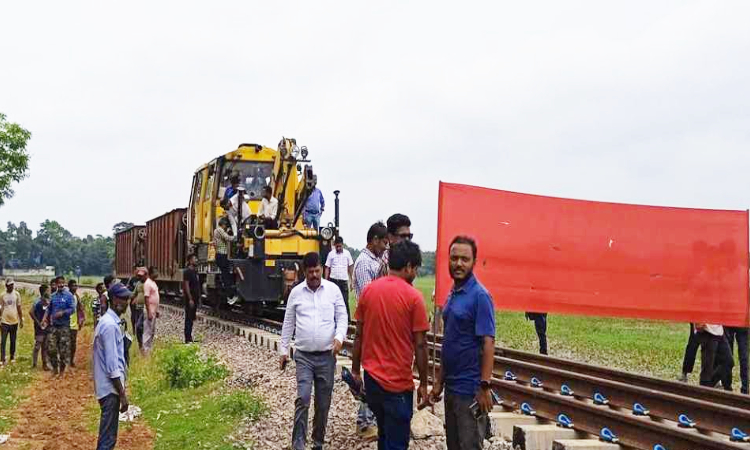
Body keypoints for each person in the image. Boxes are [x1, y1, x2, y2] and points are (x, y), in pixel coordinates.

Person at [352, 240, 430, 450]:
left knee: (384, 434)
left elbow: (359, 334)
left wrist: (355, 370)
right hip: (397, 385)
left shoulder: (369, 291)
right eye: (415, 268)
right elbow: (420, 346)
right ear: (408, 267)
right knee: (396, 442)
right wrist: (423, 383)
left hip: (373, 381)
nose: (415, 273)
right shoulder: (414, 298)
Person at [424, 236, 495, 450]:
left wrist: (484, 387)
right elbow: (450, 343)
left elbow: (488, 343)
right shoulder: (453, 294)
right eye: (454, 258)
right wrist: (439, 382)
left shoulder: (480, 296)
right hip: (453, 388)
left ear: (474, 261)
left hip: (470, 390)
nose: (458, 264)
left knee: (470, 445)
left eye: (465, 259)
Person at [279, 252, 348, 450]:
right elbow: (288, 323)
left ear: (321, 269)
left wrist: (339, 337)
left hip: (327, 356)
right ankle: (298, 444)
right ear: (304, 272)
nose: (315, 275)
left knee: (323, 403)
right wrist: (283, 350)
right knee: (303, 397)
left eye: (317, 271)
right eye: (311, 272)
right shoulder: (296, 293)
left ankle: (318, 442)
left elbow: (342, 317)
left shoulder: (333, 291)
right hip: (304, 357)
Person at [351, 221, 389, 440]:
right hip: (369, 323)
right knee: (371, 372)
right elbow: (368, 296)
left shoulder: (375, 260)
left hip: (374, 323)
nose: (385, 246)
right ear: (374, 240)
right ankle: (365, 423)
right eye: (383, 242)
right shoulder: (365, 263)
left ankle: (369, 420)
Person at [94, 282, 130, 450]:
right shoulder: (109, 326)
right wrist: (122, 394)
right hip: (110, 390)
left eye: (127, 298)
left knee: (108, 436)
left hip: (108, 388)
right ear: (114, 300)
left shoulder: (110, 322)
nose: (126, 302)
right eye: (123, 298)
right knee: (107, 440)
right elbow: (112, 366)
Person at [44, 276, 74, 376]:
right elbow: (48, 309)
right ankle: (54, 368)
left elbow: (72, 309)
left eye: (62, 283)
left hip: (64, 327)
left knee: (63, 350)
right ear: (56, 284)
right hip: (54, 326)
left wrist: (63, 312)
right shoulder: (53, 296)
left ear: (64, 283)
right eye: (59, 283)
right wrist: (45, 318)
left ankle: (61, 370)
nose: (61, 285)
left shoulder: (69, 296)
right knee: (51, 348)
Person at [695, 323, 734, 390]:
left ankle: (707, 388)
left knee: (728, 362)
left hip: (719, 331)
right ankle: (704, 391)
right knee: (707, 370)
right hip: (707, 331)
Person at [325, 236, 354, 319]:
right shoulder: (331, 254)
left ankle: (347, 320)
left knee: (345, 301)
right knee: (332, 301)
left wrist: (352, 280)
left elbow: (350, 267)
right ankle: (332, 319)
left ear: (342, 245)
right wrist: (326, 281)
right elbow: (327, 267)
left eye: (340, 246)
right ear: (335, 245)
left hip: (343, 280)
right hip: (333, 280)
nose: (338, 248)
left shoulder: (347, 254)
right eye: (337, 246)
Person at [215, 217, 238, 305]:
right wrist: (235, 237)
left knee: (226, 276)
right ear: (223, 224)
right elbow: (227, 238)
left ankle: (230, 295)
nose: (226, 227)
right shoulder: (219, 230)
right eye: (226, 225)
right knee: (226, 276)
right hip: (221, 255)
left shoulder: (217, 231)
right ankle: (230, 295)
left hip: (221, 256)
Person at [1, 278, 24, 365]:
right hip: (4, 321)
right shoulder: (3, 295)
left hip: (14, 320)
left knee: (13, 340)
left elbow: (19, 307)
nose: (11, 286)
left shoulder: (16, 294)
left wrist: (21, 319)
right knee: (3, 340)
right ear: (6, 286)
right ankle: (2, 358)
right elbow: (1, 308)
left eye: (12, 285)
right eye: (9, 285)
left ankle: (12, 357)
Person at [30, 284, 50, 370]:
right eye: (47, 290)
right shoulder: (38, 302)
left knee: (45, 346)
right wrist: (38, 323)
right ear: (44, 292)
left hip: (46, 327)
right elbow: (31, 312)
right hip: (39, 327)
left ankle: (44, 364)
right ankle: (34, 364)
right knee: (38, 345)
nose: (49, 292)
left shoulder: (48, 302)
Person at [142, 266, 160, 356]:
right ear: (151, 273)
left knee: (152, 331)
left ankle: (149, 350)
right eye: (155, 272)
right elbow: (146, 298)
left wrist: (156, 310)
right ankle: (145, 351)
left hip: (153, 311)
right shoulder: (147, 283)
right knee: (147, 332)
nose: (157, 273)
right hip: (149, 311)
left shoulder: (153, 282)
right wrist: (149, 311)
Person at [68, 279, 86, 367]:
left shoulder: (76, 297)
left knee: (73, 343)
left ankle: (71, 360)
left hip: (74, 323)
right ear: (69, 287)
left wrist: (81, 320)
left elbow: (80, 309)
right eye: (73, 286)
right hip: (65, 323)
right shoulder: (66, 296)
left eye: (76, 286)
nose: (74, 287)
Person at [183, 254, 200, 343]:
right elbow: (186, 285)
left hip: (195, 298)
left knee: (192, 317)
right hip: (190, 299)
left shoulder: (194, 271)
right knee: (189, 317)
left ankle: (190, 337)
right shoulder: (187, 271)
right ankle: (187, 338)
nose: (196, 260)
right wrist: (190, 298)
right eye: (194, 259)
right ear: (190, 261)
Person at [726, 326, 749, 394]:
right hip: (740, 321)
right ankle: (745, 390)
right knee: (743, 357)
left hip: (730, 321)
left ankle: (727, 388)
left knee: (728, 355)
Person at [130, 268, 147, 350]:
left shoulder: (149, 284)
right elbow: (134, 293)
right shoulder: (138, 283)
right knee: (138, 327)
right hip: (138, 308)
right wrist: (128, 298)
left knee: (140, 326)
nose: (140, 277)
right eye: (139, 276)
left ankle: (145, 345)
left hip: (145, 309)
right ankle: (140, 345)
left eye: (141, 276)